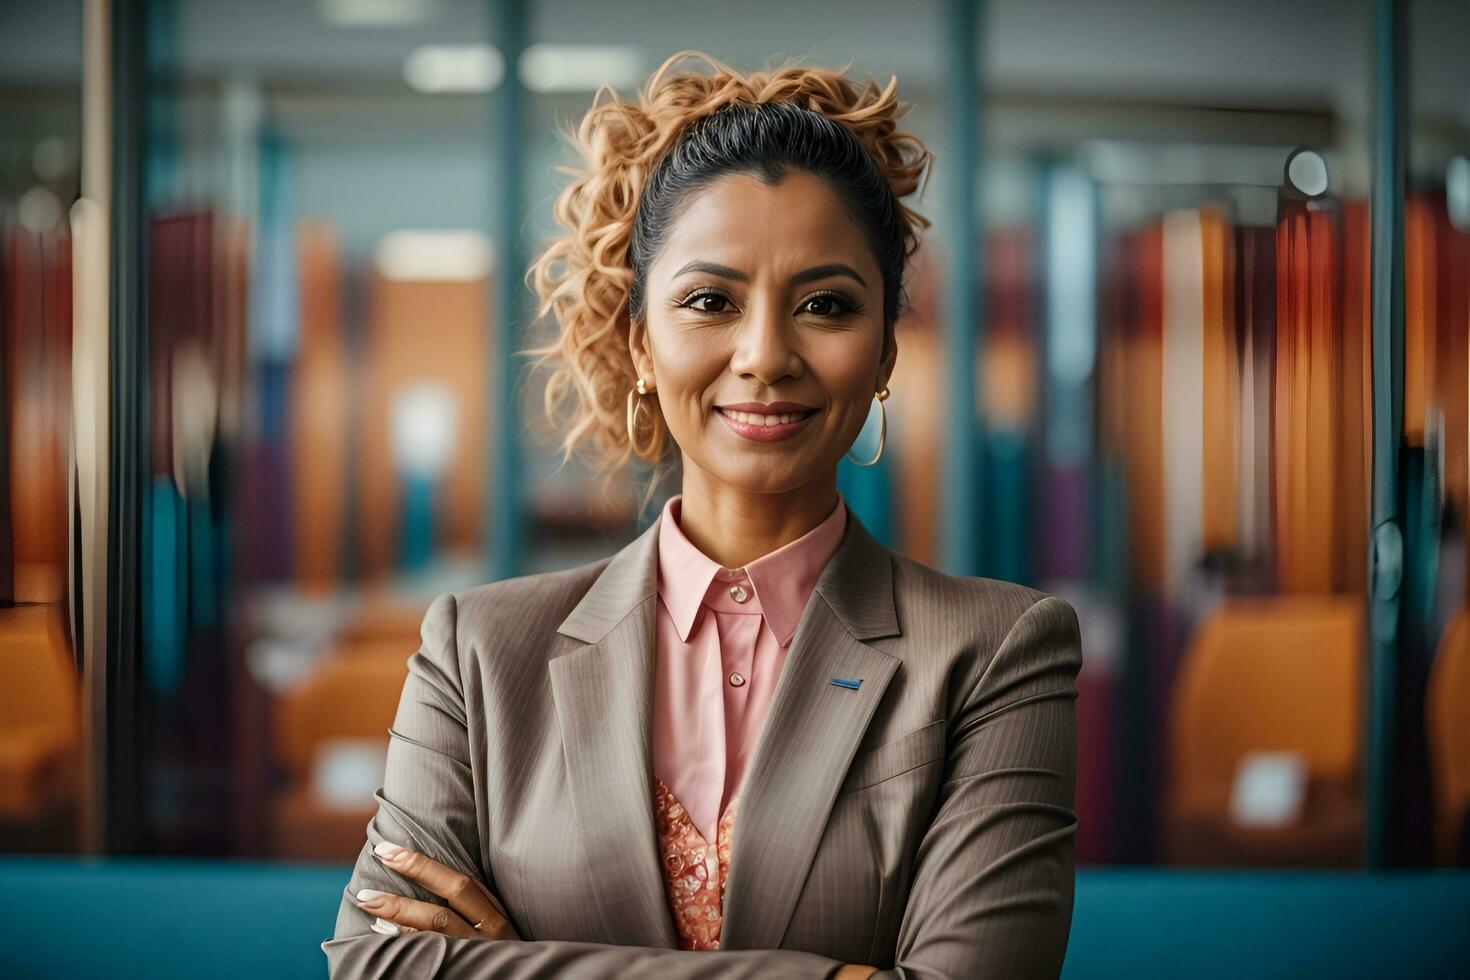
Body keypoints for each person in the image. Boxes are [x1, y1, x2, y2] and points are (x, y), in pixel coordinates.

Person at [324, 50, 1082, 980]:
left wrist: (519, 965)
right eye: (711, 301)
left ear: (885, 349)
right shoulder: (478, 653)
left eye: (825, 305)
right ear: (642, 342)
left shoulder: (998, 652)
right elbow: (376, 966)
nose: (765, 354)